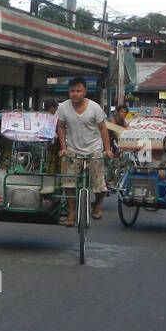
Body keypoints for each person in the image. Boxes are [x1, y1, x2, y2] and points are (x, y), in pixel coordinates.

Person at [54, 77, 112, 224]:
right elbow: (60, 127)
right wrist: (64, 149)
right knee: (68, 183)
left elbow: (103, 128)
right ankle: (72, 214)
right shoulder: (63, 108)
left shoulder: (95, 107)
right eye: (72, 91)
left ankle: (97, 205)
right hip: (73, 149)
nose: (75, 94)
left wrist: (108, 149)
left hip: (94, 149)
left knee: (100, 186)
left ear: (85, 91)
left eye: (78, 91)